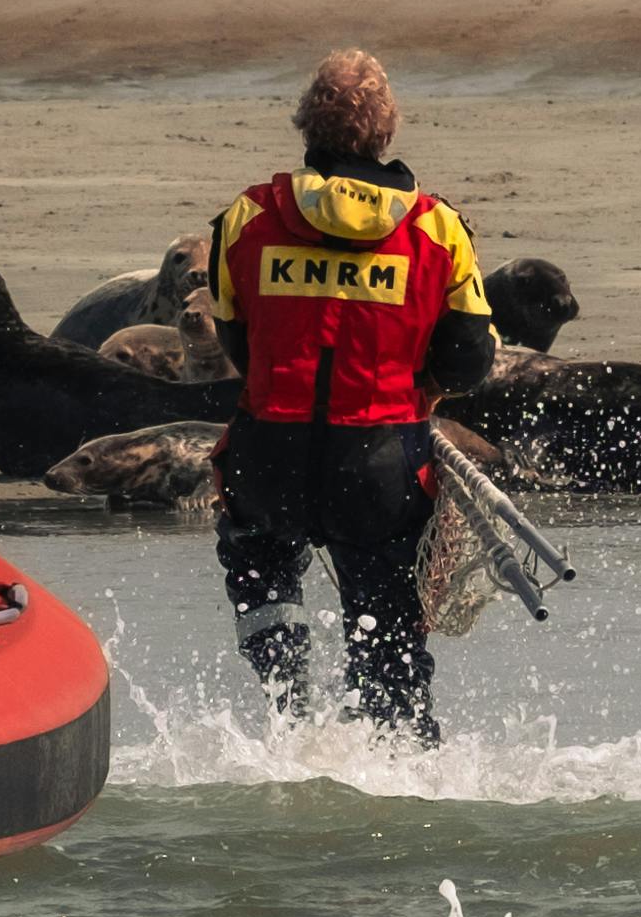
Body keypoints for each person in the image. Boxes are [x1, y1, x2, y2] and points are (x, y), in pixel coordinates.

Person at [201, 48, 501, 738]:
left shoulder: (247, 217)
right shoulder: (436, 228)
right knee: (390, 640)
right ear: (387, 132)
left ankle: (290, 718)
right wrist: (425, 386)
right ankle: (394, 754)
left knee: (263, 581)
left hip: (266, 457)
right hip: (378, 465)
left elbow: (237, 341)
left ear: (307, 124)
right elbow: (471, 359)